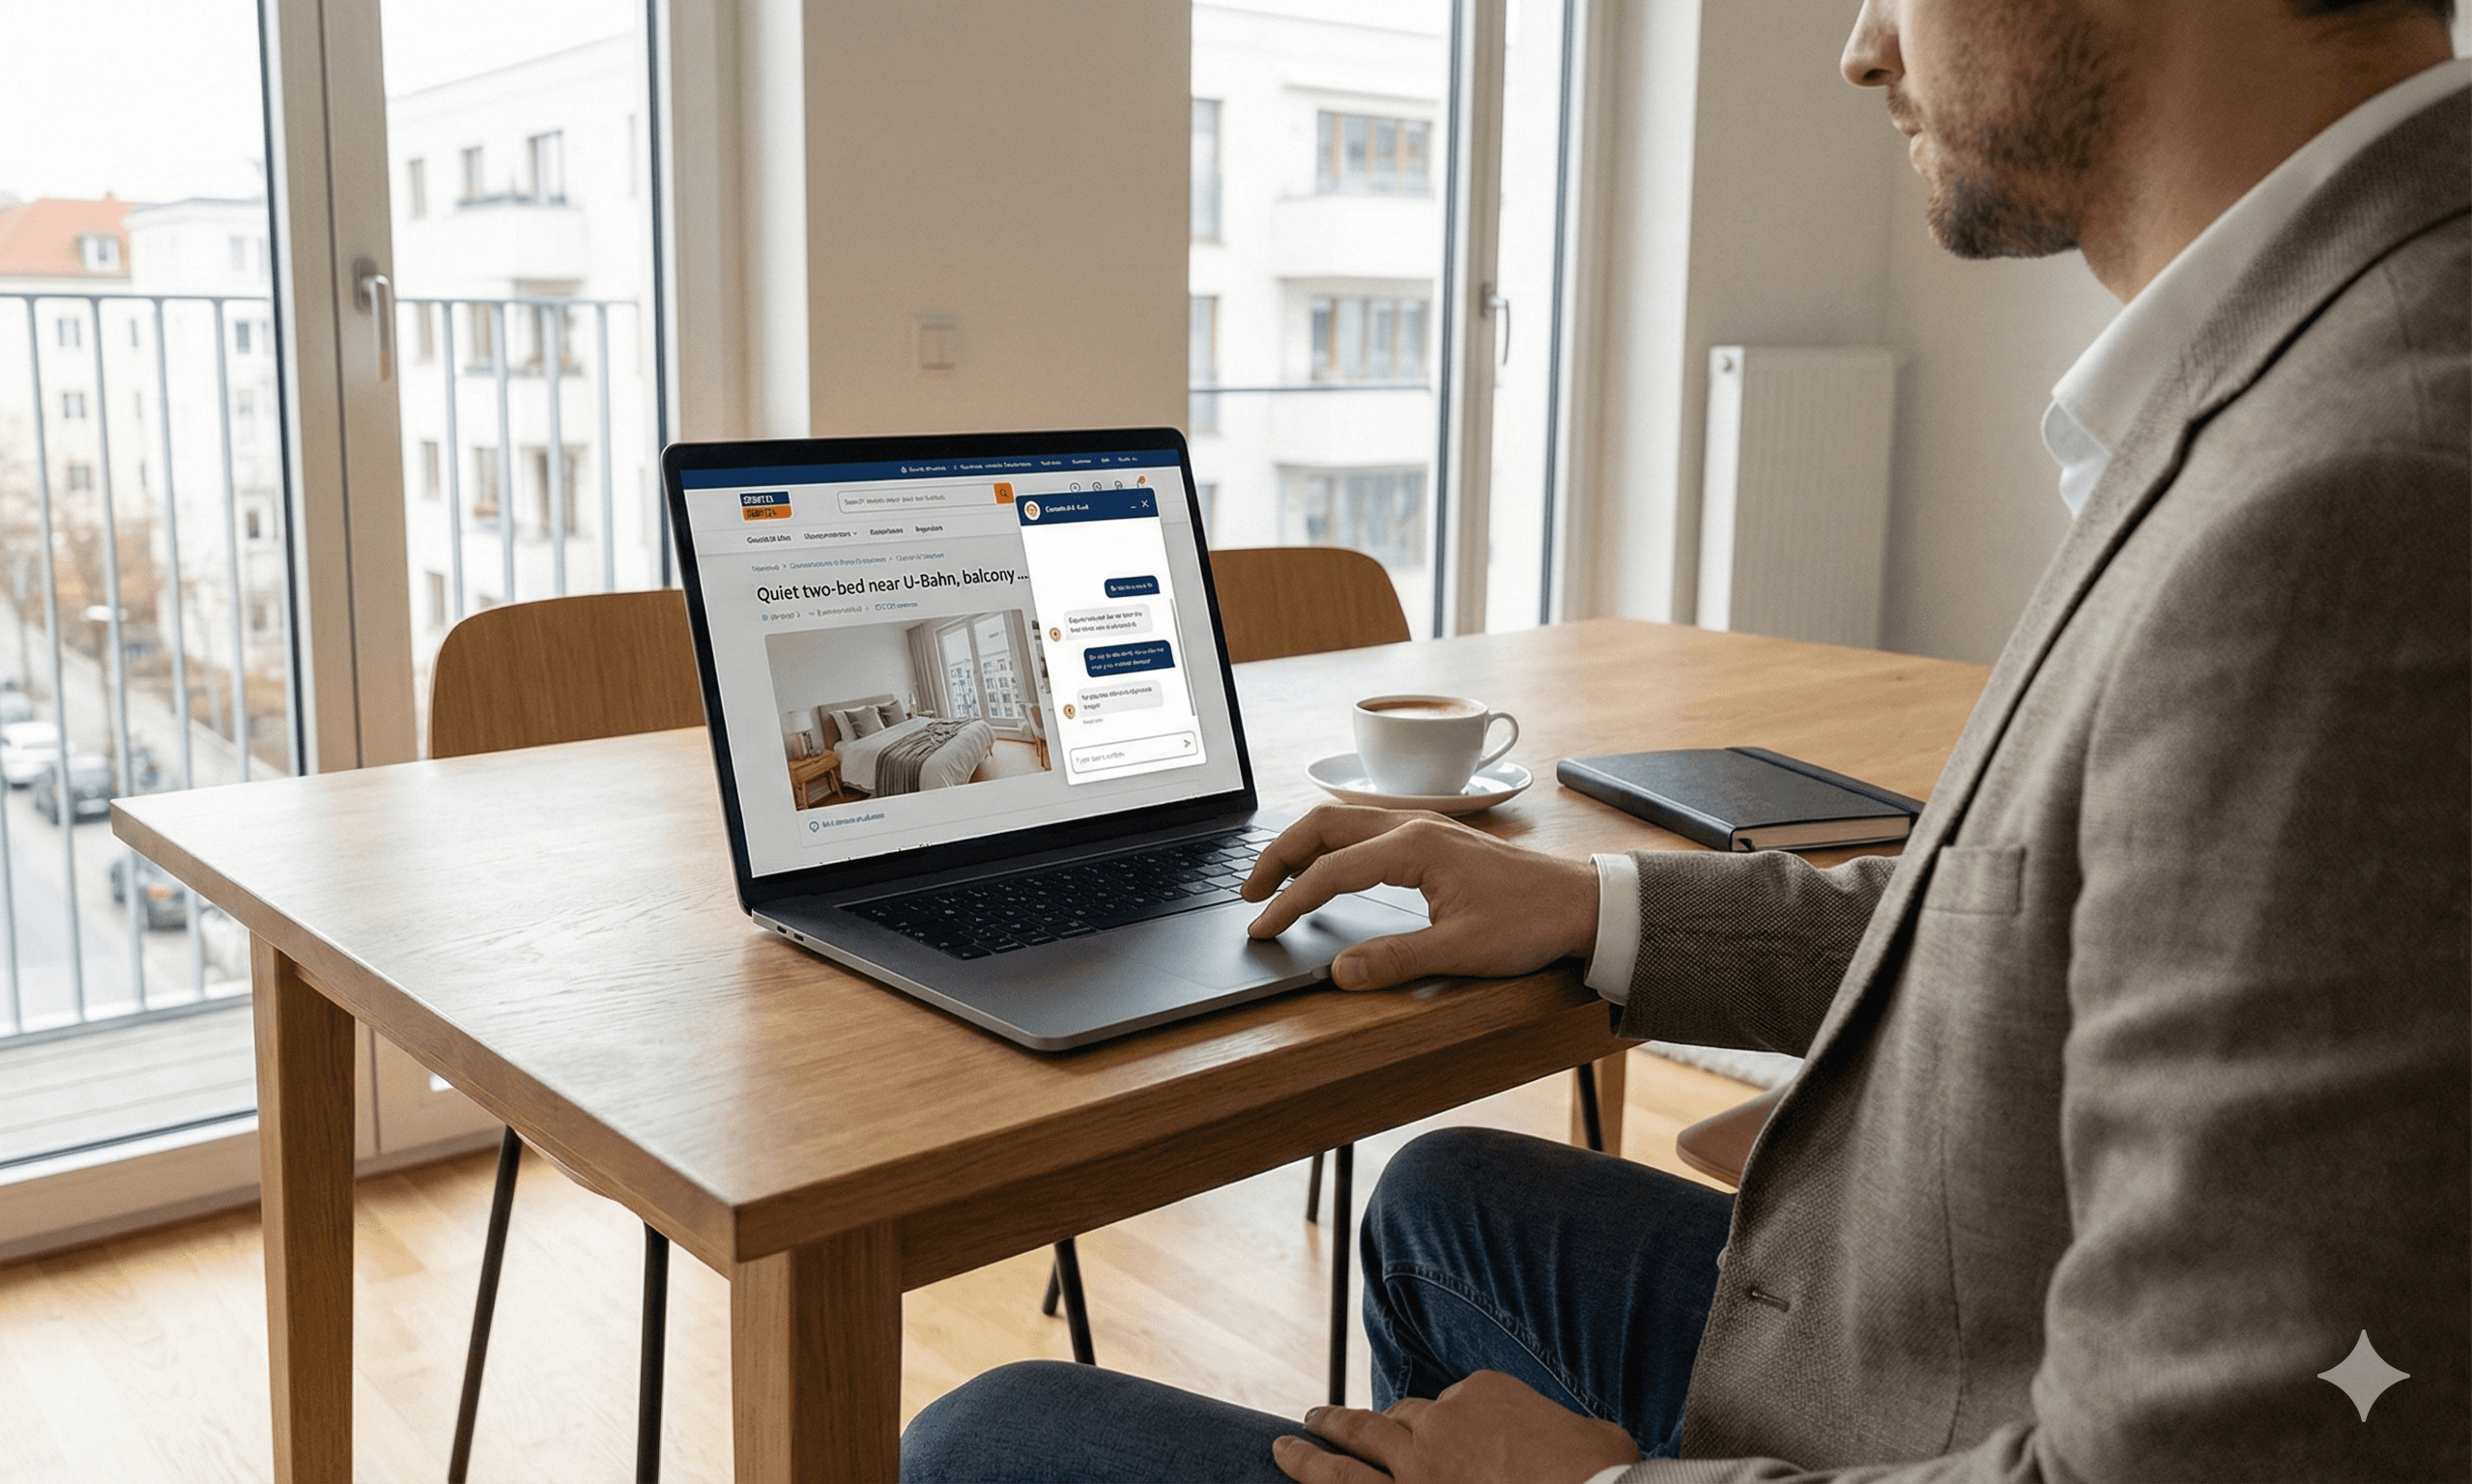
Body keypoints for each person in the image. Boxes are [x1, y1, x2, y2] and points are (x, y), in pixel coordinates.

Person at [902, 0, 2470, 1479]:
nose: (1865, 50)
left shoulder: (2354, 499)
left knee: (984, 1434)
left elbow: (2247, 1452)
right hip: (1967, 1323)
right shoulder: (2312, 364)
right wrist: (1594, 907)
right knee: (1450, 1200)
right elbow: (2029, 911)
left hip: (1953, 1415)